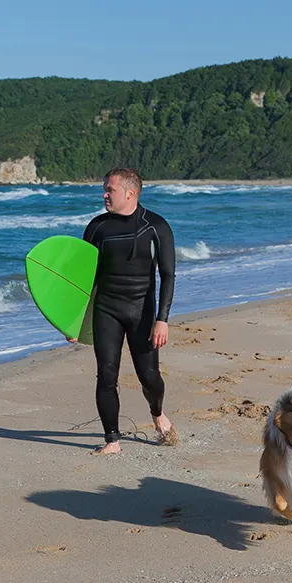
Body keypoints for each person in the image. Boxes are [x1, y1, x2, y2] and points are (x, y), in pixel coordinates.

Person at [71, 167, 177, 454]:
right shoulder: (96, 228)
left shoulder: (157, 227)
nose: (104, 194)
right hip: (107, 308)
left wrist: (162, 320)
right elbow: (84, 278)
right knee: (106, 374)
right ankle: (112, 440)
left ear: (130, 193)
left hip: (142, 311)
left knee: (149, 376)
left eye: (110, 190)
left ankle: (157, 413)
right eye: (105, 189)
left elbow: (168, 275)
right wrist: (73, 320)